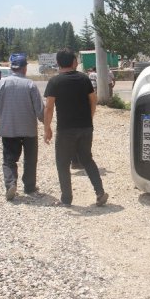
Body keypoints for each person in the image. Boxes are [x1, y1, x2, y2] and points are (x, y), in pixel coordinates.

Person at [44, 48, 108, 207]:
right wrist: (90, 117)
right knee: (87, 159)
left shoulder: (54, 82)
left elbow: (49, 107)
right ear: (73, 62)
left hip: (66, 129)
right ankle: (100, 192)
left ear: (58, 63)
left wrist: (47, 128)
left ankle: (66, 199)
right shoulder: (84, 79)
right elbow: (94, 100)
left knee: (62, 163)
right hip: (86, 127)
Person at [0, 57, 44, 201]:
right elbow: (39, 110)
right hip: (29, 130)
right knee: (30, 159)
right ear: (24, 68)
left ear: (12, 68)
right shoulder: (30, 85)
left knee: (9, 159)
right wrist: (46, 124)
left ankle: (10, 184)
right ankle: (29, 186)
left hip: (9, 129)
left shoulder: (2, 83)